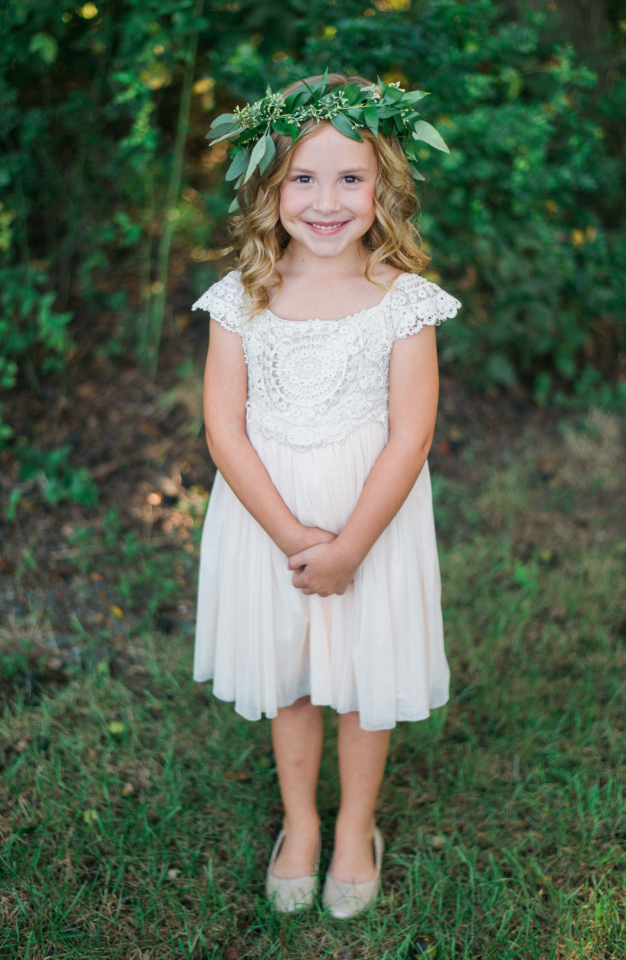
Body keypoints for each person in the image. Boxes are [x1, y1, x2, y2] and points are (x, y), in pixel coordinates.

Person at [192, 72, 461, 919]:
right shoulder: (242, 299)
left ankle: (356, 830)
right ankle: (302, 824)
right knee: (295, 676)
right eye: (302, 178)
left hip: (368, 521)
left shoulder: (403, 302)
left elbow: (410, 437)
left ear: (384, 187)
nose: (326, 200)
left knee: (364, 671)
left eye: (350, 178)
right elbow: (223, 431)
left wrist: (347, 548)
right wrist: (292, 537)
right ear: (268, 189)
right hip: (269, 516)